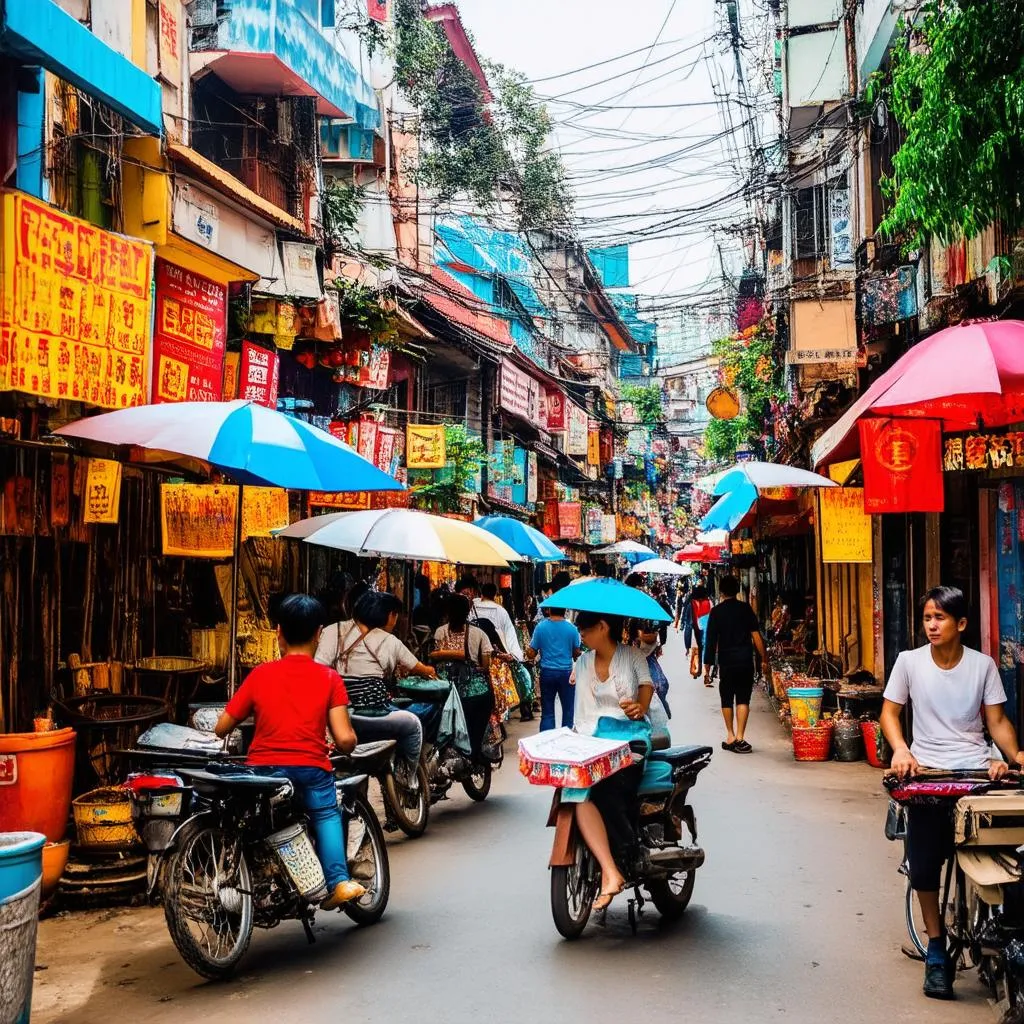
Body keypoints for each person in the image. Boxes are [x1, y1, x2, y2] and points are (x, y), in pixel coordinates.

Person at [880, 586, 1024, 1001]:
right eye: (927, 617)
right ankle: (937, 948)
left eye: (940, 618)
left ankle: (1000, 923)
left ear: (961, 624)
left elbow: (996, 721)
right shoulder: (909, 662)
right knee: (924, 864)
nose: (932, 625)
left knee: (1007, 850)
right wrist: (902, 750)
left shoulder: (983, 666)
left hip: (976, 769)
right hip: (927, 772)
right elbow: (890, 713)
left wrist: (1012, 756)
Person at [214, 594, 365, 910]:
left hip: (262, 771)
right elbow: (344, 739)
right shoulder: (329, 679)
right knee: (325, 811)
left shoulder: (260, 675)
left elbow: (222, 726)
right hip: (310, 769)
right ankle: (337, 881)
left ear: (278, 632)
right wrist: (345, 742)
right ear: (319, 633)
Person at [571, 610, 654, 910]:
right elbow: (581, 711)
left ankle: (627, 851)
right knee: (577, 794)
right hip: (591, 743)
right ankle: (610, 869)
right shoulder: (582, 662)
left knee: (607, 787)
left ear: (603, 627)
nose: (580, 634)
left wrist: (639, 708)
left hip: (630, 739)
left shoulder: (632, 656)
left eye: (585, 629)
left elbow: (646, 687)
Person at [315, 591, 437, 771]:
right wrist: (430, 671)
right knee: (417, 719)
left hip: (340, 710)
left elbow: (319, 667)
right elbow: (418, 668)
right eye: (395, 616)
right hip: (377, 711)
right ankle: (412, 776)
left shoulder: (333, 630)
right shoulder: (389, 640)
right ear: (388, 616)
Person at [703, 575, 767, 754]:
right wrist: (764, 659)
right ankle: (740, 736)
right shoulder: (746, 609)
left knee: (726, 698)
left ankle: (730, 736)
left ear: (721, 591)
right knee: (743, 698)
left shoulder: (716, 612)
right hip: (745, 661)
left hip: (727, 663)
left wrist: (706, 668)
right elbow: (756, 636)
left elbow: (710, 642)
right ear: (738, 590)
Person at [527, 604, 581, 730]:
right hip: (566, 674)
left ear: (549, 610)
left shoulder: (540, 627)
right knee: (568, 711)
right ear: (565, 610)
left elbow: (531, 652)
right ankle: (565, 742)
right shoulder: (572, 629)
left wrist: (531, 651)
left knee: (547, 713)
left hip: (547, 673)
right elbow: (576, 653)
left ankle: (547, 742)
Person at [463, 579, 525, 661]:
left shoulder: (472, 609)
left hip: (476, 652)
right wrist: (515, 655)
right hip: (496, 655)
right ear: (495, 595)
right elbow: (509, 633)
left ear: (481, 594)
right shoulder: (501, 611)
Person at [433, 593, 493, 670]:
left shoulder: (441, 631)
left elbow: (436, 657)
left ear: (448, 613)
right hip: (472, 679)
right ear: (467, 613)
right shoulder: (479, 633)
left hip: (445, 679)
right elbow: (486, 666)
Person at [688, 583, 713, 675]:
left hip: (697, 630)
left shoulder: (692, 603)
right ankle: (706, 673)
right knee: (706, 650)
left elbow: (690, 622)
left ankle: (697, 669)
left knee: (697, 649)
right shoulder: (709, 602)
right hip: (707, 630)